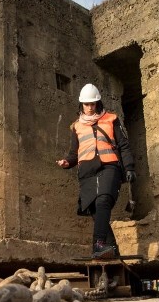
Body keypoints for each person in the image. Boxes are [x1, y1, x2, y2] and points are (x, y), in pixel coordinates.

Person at [56, 84, 136, 259]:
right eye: (86, 104)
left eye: (93, 103)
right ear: (81, 105)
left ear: (98, 102)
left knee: (103, 201)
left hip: (109, 166)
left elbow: (123, 145)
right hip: (87, 172)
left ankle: (98, 245)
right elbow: (74, 153)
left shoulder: (111, 119)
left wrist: (129, 167)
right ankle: (111, 249)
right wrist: (67, 162)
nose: (90, 107)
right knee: (95, 210)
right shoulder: (76, 127)